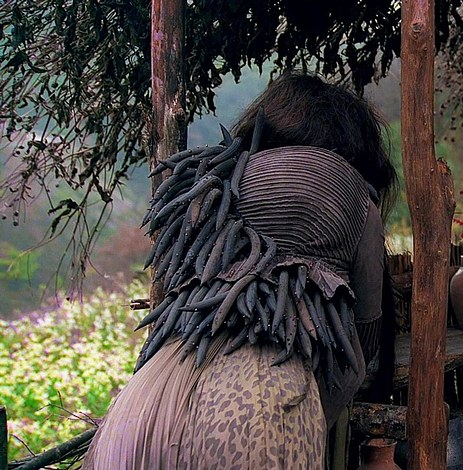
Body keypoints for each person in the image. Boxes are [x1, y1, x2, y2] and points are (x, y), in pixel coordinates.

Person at [83, 71, 397, 469]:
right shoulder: (356, 196)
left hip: (141, 407)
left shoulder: (218, 177)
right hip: (259, 414)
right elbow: (365, 336)